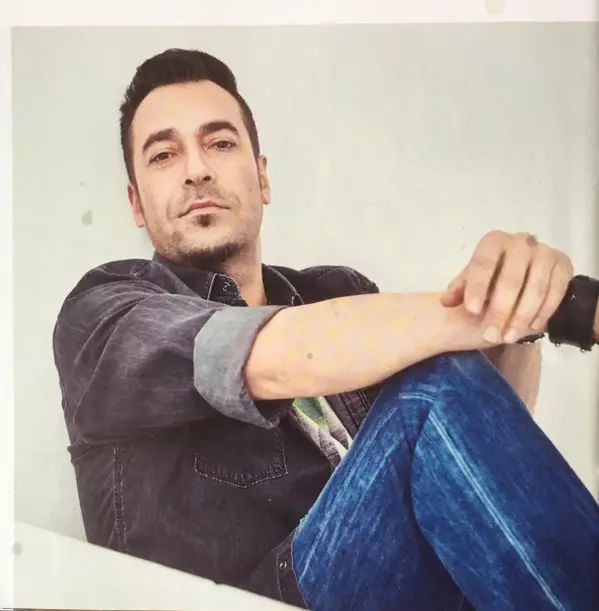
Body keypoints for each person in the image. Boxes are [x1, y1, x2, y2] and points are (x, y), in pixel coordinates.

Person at [52, 48, 599, 611]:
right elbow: (266, 354)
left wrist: (520, 312)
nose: (196, 169)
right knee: (430, 389)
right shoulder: (103, 313)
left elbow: (475, 469)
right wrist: (562, 309)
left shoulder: (338, 291)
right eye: (164, 155)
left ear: (263, 177)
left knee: (443, 383)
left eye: (220, 143)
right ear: (136, 204)